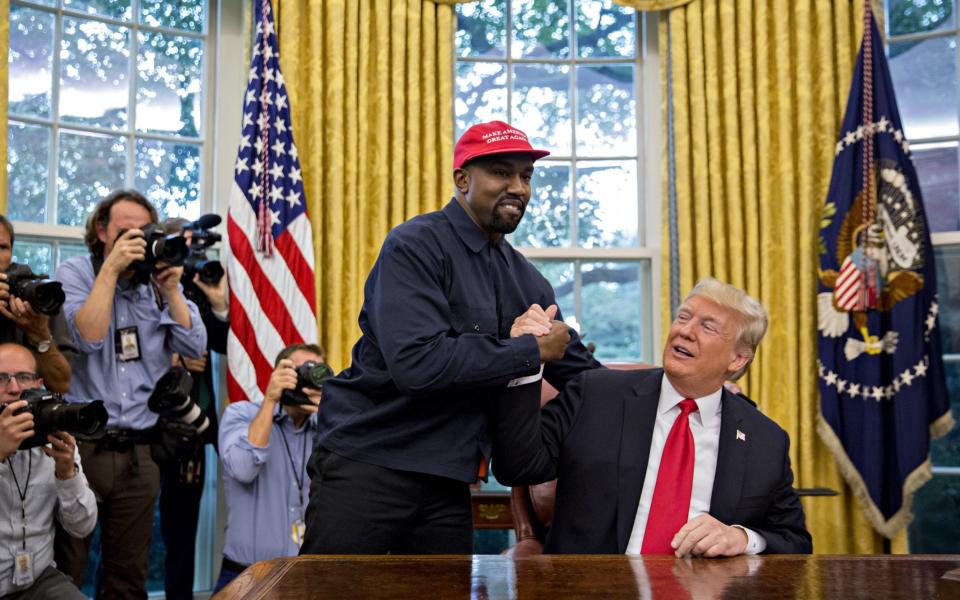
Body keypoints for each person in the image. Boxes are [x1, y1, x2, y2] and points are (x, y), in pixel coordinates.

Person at [300, 120, 600, 556]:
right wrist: (529, 350)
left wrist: (657, 394)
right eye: (501, 172)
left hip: (448, 480)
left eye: (526, 176)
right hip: (370, 463)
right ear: (463, 180)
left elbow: (584, 375)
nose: (518, 186)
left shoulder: (527, 281)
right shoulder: (414, 246)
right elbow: (418, 365)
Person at [492, 278, 812, 555]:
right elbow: (516, 466)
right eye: (683, 317)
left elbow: (794, 540)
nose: (685, 331)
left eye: (707, 327)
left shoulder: (765, 440)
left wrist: (742, 538)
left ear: (738, 358)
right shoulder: (595, 394)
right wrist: (524, 360)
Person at [52, 190, 207, 598]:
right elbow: (87, 336)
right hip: (82, 446)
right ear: (101, 231)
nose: (135, 240)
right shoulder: (78, 272)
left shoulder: (156, 285)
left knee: (129, 575)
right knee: (67, 566)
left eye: (143, 232)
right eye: (124, 232)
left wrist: (173, 290)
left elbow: (194, 348)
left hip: (140, 453)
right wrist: (111, 271)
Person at [214, 343, 325, 593]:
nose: (308, 378)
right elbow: (243, 468)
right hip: (246, 575)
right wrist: (270, 400)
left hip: (306, 576)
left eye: (316, 372)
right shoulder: (240, 414)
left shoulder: (327, 426)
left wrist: (331, 412)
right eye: (300, 371)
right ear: (278, 374)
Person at [157, 216, 228, 600]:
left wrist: (217, 305)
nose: (190, 254)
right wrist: (176, 360)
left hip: (191, 426)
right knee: (124, 533)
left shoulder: (199, 284)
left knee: (183, 535)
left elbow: (219, 344)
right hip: (145, 421)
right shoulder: (143, 283)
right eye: (182, 246)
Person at [0, 343, 97, 599]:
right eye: (1, 379)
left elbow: (82, 528)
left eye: (23, 377)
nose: (14, 388)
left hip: (38, 579)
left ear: (39, 384)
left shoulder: (53, 432)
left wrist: (67, 474)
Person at [0, 215, 73, 393]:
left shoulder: (37, 298)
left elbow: (61, 385)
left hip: (30, 415)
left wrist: (40, 334)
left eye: (2, 247)